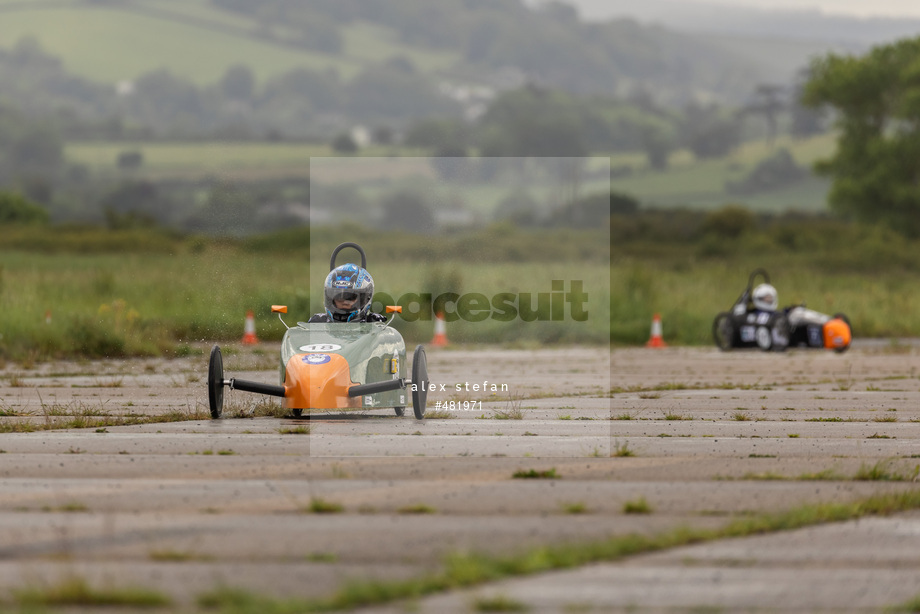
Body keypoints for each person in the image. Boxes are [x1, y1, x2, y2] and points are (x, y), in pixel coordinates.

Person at [307, 263, 387, 323]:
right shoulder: (318, 322)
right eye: (339, 297)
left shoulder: (373, 322)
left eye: (350, 297)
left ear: (365, 298)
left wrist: (377, 325)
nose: (345, 302)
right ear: (330, 298)